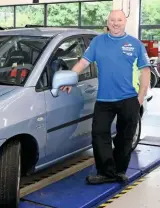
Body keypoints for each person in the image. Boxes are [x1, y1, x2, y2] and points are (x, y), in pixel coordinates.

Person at [62, 10, 151, 184]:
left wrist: (140, 97)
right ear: (108, 22)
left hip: (129, 98)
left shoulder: (135, 44)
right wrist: (69, 79)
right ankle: (105, 172)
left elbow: (145, 71)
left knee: (125, 137)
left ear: (124, 22)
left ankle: (119, 171)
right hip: (104, 99)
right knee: (99, 134)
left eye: (119, 20)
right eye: (112, 20)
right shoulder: (98, 42)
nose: (116, 23)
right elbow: (83, 63)